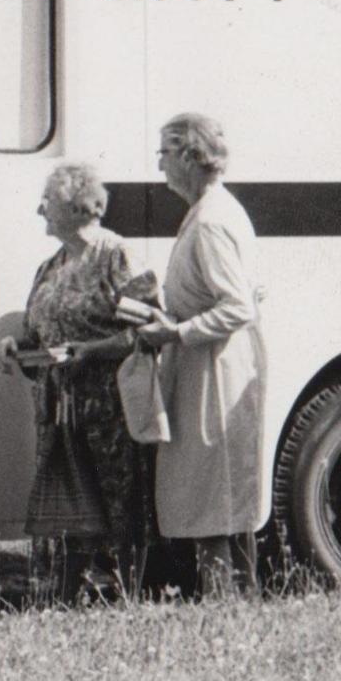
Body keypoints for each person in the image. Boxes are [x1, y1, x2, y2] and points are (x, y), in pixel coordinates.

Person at [0, 162, 156, 593]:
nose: (38, 210)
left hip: (108, 401)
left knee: (117, 497)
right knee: (67, 497)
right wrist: (18, 348)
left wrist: (93, 352)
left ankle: (131, 591)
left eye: (47, 202)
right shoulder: (51, 265)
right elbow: (36, 330)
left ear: (75, 205)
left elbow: (147, 328)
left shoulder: (116, 256)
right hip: (58, 406)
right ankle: (67, 593)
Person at [134, 113, 271, 597]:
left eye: (166, 154)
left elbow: (237, 304)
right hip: (210, 363)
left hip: (214, 367)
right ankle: (235, 595)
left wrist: (176, 331)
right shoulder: (213, 211)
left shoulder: (211, 220)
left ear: (191, 157)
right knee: (216, 487)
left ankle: (224, 601)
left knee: (211, 487)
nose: (160, 165)